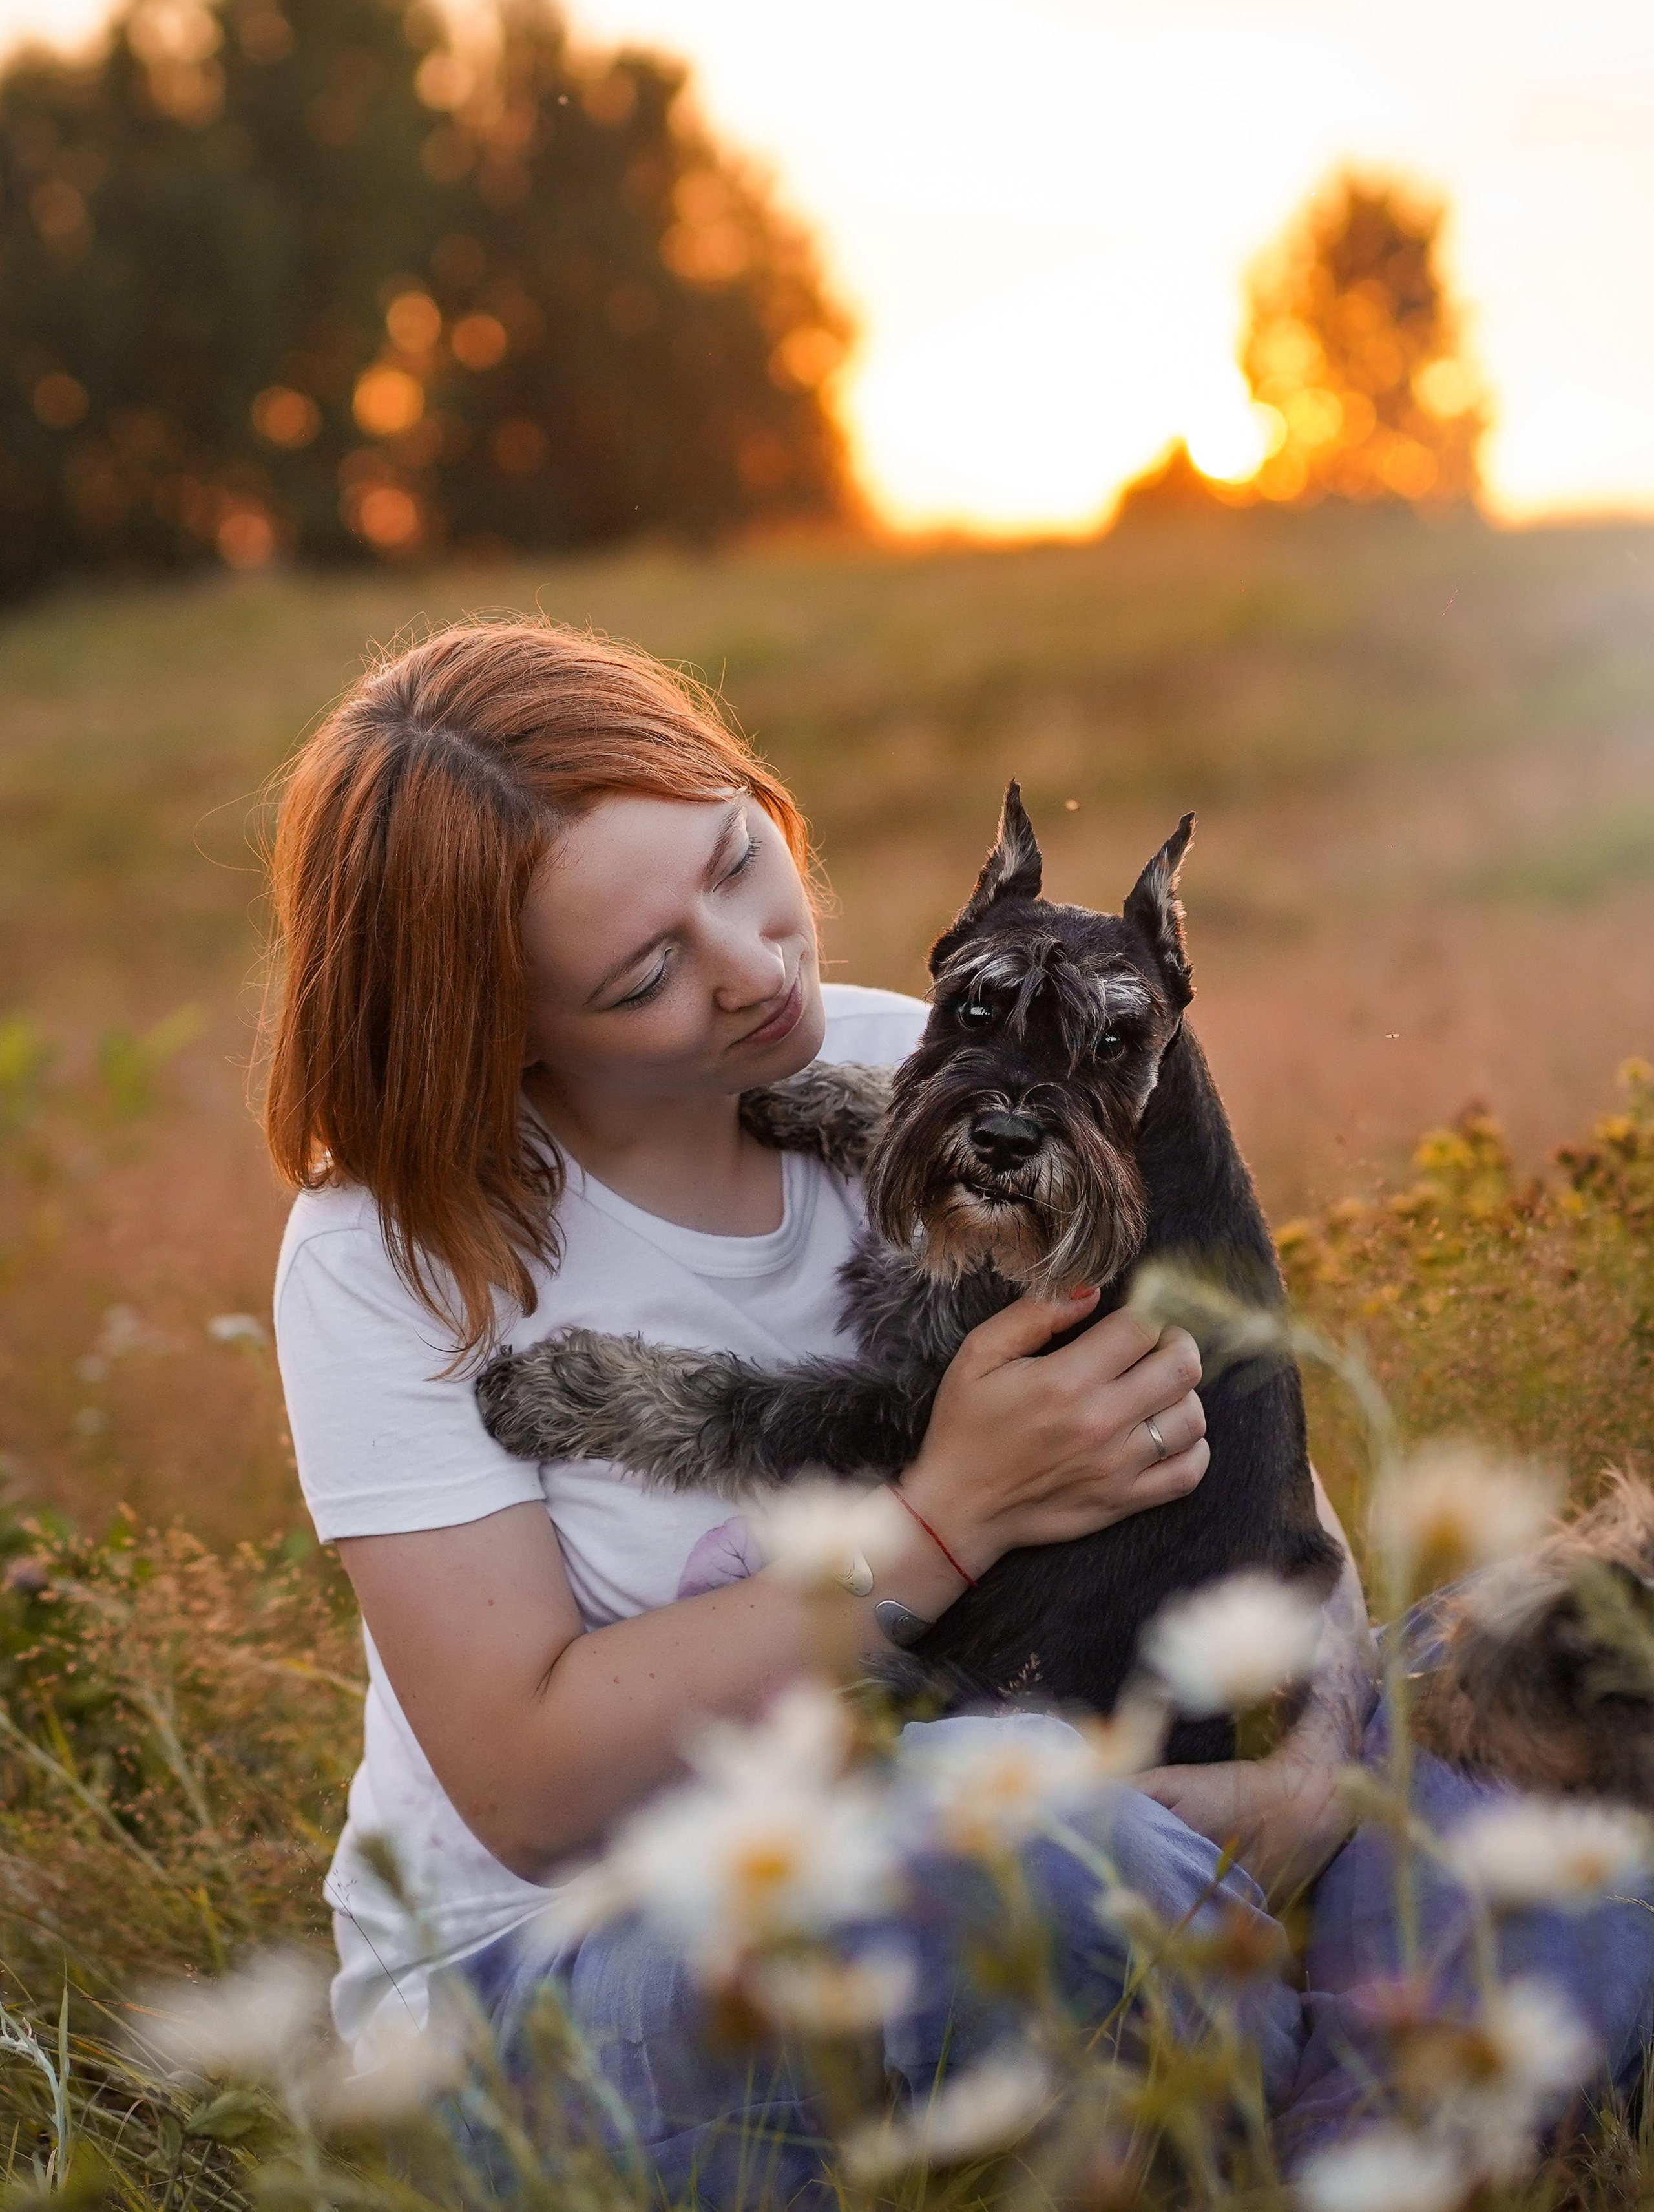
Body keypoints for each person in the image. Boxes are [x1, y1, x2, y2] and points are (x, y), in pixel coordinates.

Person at [264, 621, 1646, 2199]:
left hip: (1086, 1786)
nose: (749, 967)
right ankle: (1331, 2075)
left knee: (1571, 1662)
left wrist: (1308, 1770)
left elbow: (1253, 1450)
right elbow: (527, 1784)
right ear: (492, 1024)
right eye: (644, 972)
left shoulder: (921, 1057)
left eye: (734, 860)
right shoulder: (395, 1248)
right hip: (589, 1979)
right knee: (1020, 1837)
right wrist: (945, 1519)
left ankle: (1293, 2078)